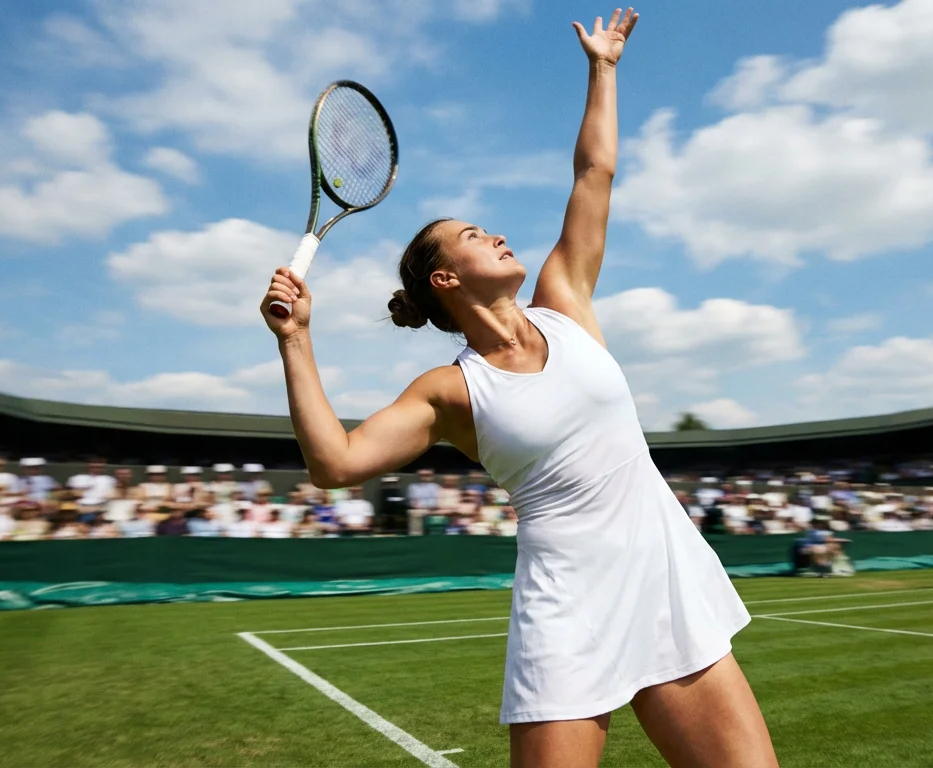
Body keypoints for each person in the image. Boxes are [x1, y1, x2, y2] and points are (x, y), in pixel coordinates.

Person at [259, 9, 774, 766]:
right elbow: (334, 463)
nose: (495, 235)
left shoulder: (565, 299)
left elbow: (594, 172)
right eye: (473, 236)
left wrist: (604, 69)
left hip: (664, 579)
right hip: (567, 607)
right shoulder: (448, 391)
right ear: (446, 279)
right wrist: (296, 340)